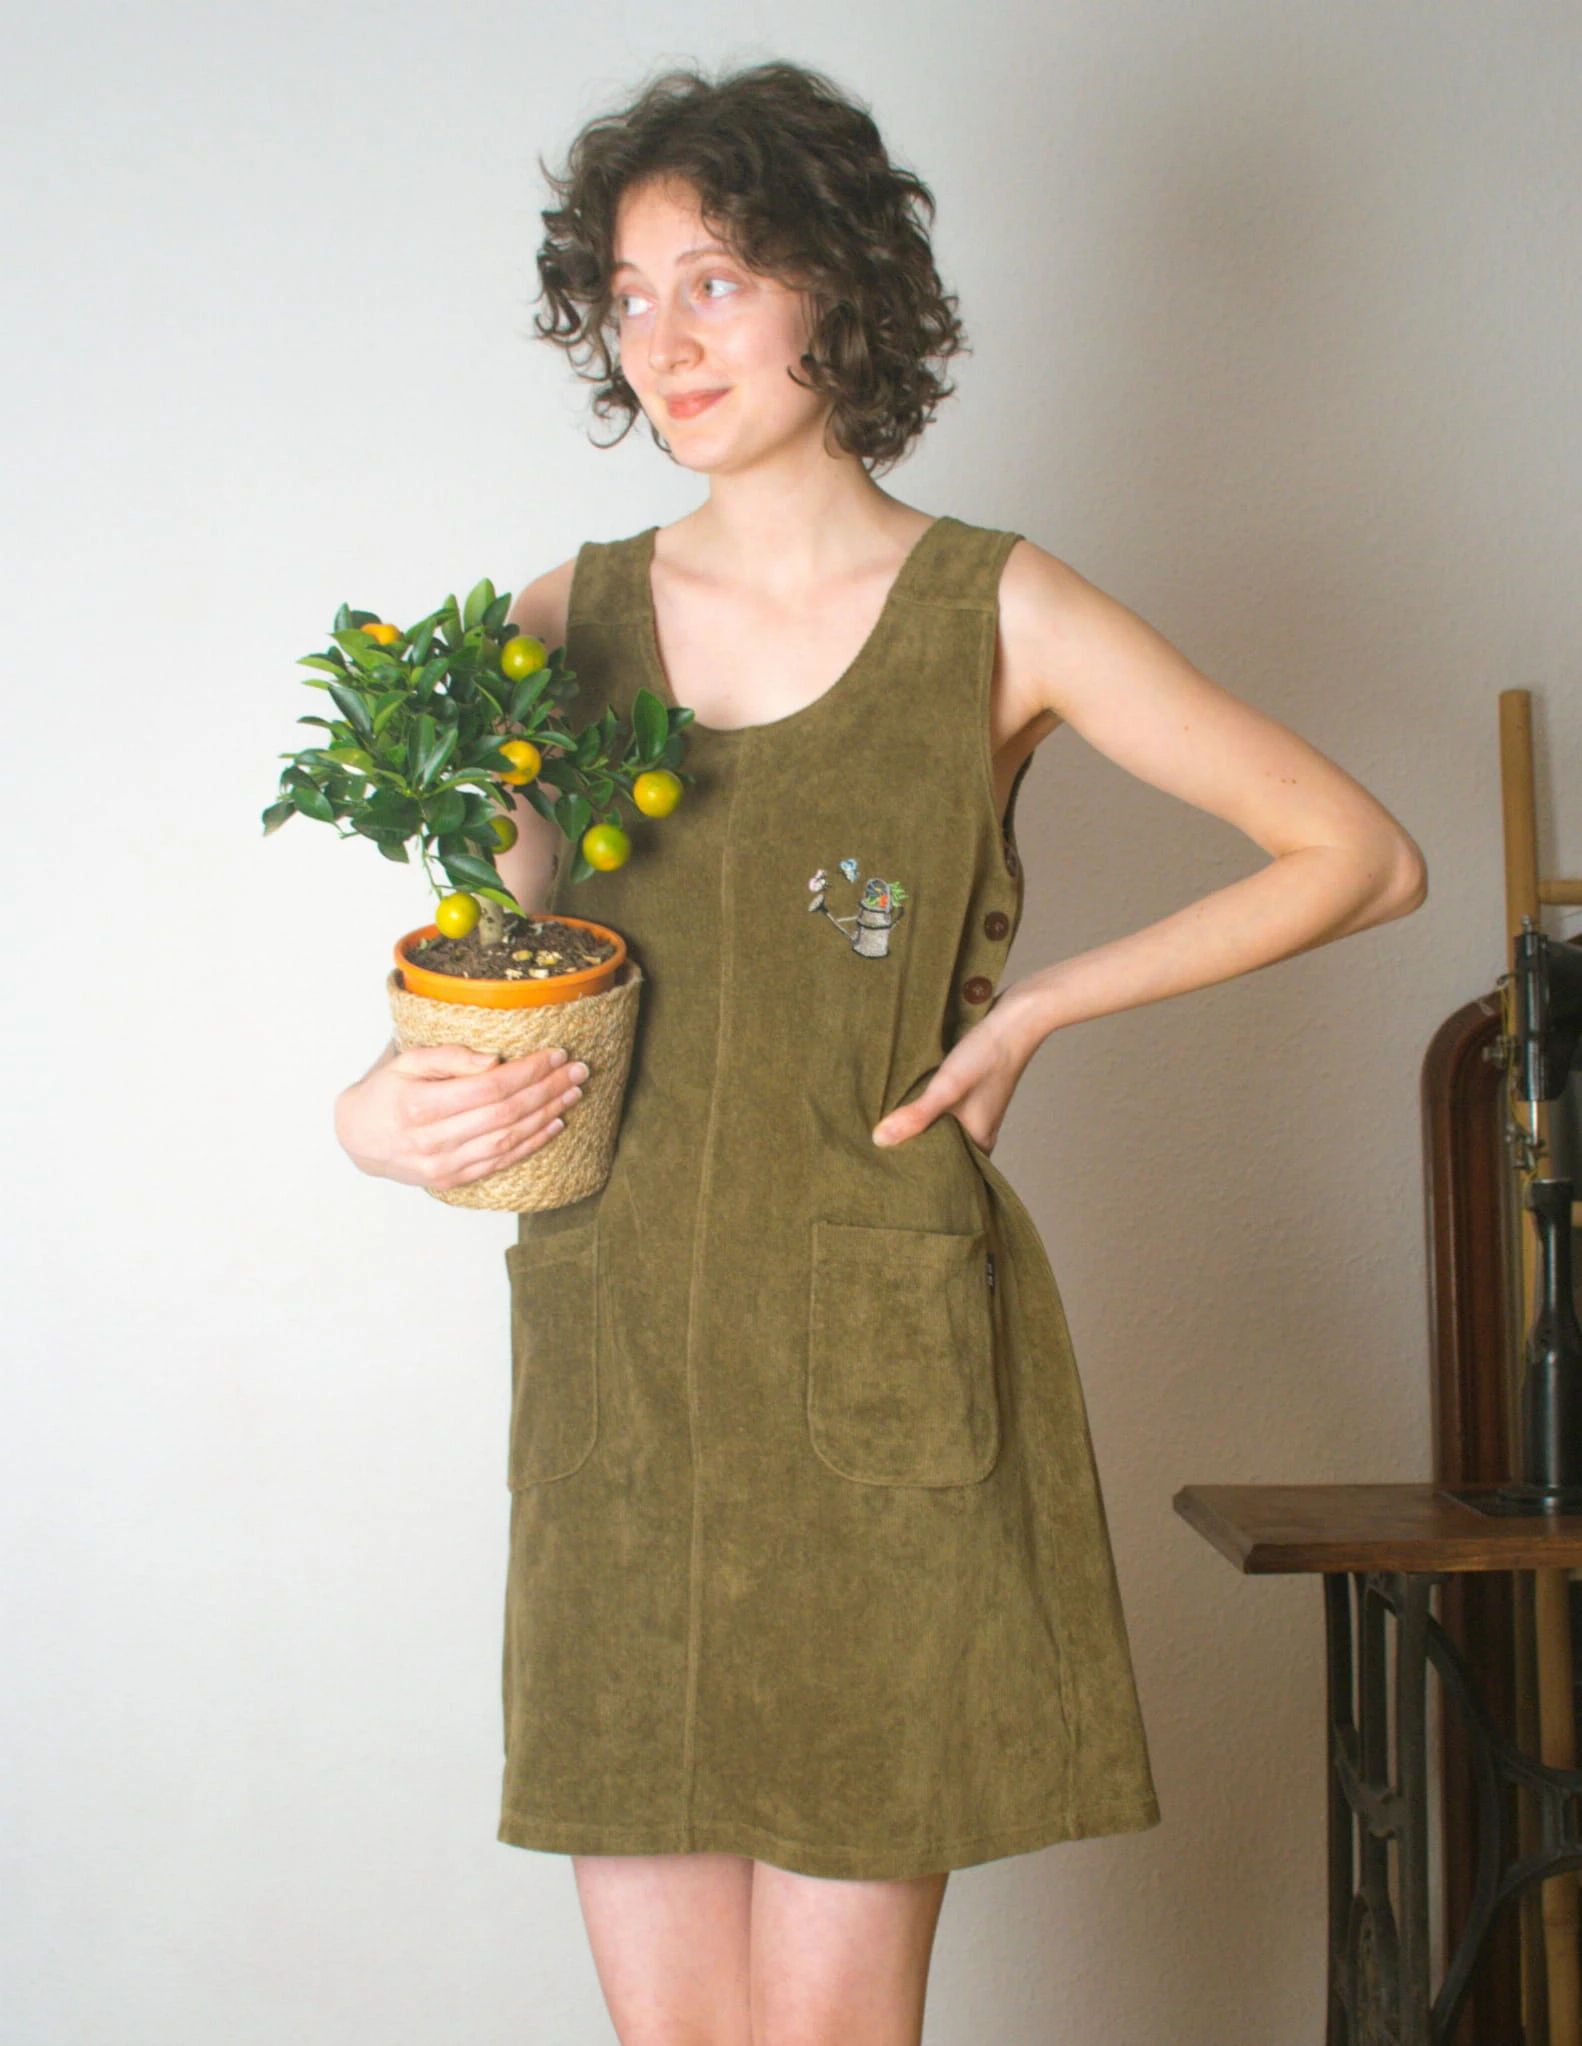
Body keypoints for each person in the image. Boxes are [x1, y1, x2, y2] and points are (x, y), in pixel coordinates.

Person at [334, 57, 1426, 2046]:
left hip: (879, 1366)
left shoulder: (992, 610)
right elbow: (484, 983)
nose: (664, 340)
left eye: (716, 281)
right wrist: (374, 1118)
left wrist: (1036, 1004)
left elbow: (1356, 855)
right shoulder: (559, 621)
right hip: (621, 1374)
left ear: (832, 285)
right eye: (628, 294)